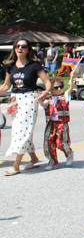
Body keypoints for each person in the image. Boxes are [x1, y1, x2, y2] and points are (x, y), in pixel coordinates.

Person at [0, 38, 51, 176]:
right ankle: (33, 158)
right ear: (14, 48)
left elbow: (47, 82)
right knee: (18, 129)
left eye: (23, 46)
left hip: (30, 99)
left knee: (22, 131)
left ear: (28, 49)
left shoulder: (34, 65)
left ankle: (16, 166)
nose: (20, 48)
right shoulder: (11, 66)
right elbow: (6, 86)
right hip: (15, 101)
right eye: (17, 46)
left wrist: (46, 92)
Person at [42, 73, 76, 170]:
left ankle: (69, 153)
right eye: (56, 87)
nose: (59, 89)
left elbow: (70, 88)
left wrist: (72, 77)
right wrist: (39, 97)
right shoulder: (48, 99)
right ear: (51, 89)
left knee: (61, 142)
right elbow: (43, 104)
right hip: (51, 123)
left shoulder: (64, 96)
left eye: (60, 87)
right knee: (48, 141)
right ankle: (52, 161)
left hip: (62, 122)